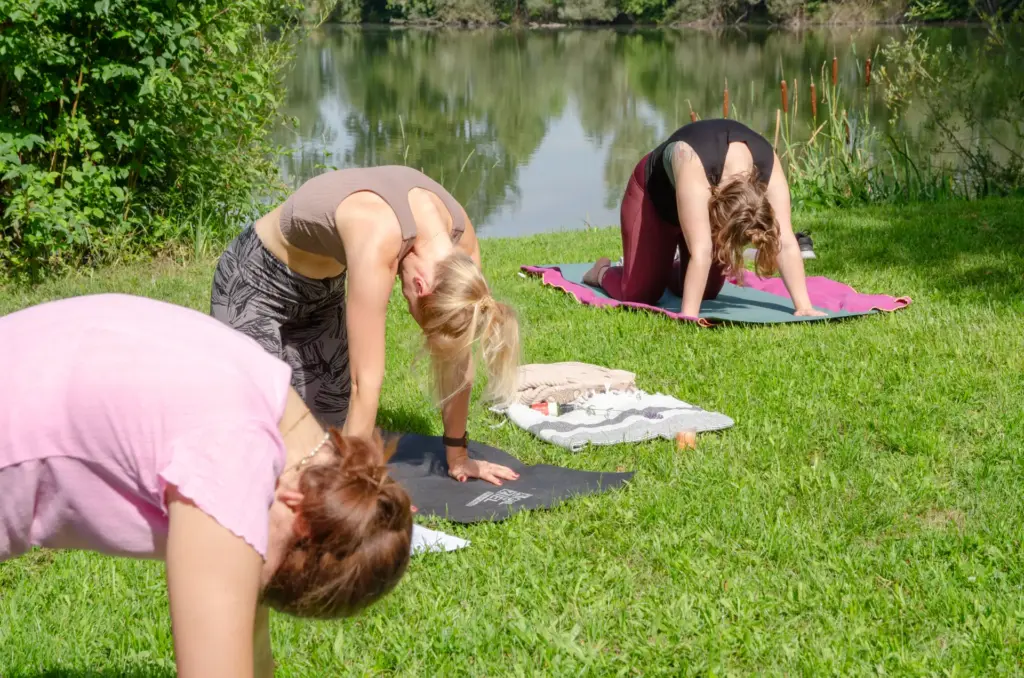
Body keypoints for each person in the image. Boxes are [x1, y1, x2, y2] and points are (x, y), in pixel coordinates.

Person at [0, 293, 413, 678]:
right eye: (265, 575)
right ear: (297, 510)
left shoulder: (277, 408)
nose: (247, 571)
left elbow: (249, 644)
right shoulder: (231, 461)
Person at [210, 165, 521, 487]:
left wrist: (458, 455)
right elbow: (365, 383)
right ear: (420, 286)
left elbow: (457, 353)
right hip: (253, 286)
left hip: (321, 294)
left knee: (323, 443)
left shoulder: (461, 250)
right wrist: (356, 489)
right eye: (424, 324)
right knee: (260, 441)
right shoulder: (379, 236)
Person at [582, 119, 826, 319]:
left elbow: (785, 240)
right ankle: (602, 271)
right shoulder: (692, 161)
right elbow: (702, 251)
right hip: (654, 203)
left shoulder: (767, 166)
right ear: (719, 213)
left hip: (704, 203)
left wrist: (803, 306)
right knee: (638, 293)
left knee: (708, 291)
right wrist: (689, 316)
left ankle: (660, 265)